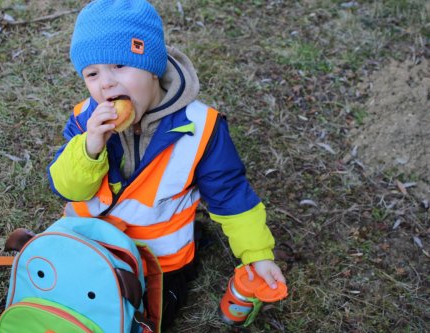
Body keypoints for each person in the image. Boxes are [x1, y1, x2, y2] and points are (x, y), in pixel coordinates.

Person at [47, 0, 286, 329]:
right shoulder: (85, 120)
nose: (106, 83)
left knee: (142, 320)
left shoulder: (202, 128)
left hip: (159, 258)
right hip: (91, 244)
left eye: (119, 65)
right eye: (92, 73)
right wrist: (89, 148)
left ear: (152, 66)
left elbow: (230, 194)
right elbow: (67, 188)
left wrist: (257, 253)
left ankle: (194, 245)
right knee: (67, 306)